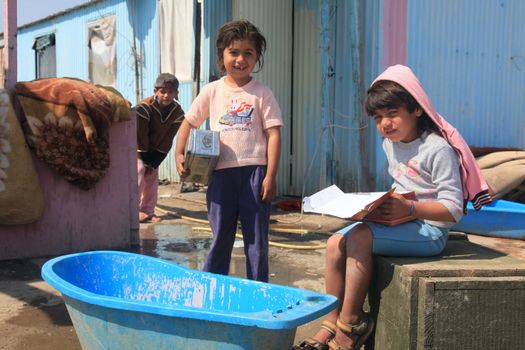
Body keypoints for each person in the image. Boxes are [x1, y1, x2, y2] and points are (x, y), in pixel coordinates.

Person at [293, 64, 491, 350]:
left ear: (417, 109)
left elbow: (454, 209)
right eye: (378, 118)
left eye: (392, 114)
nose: (385, 124)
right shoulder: (390, 143)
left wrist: (410, 210)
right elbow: (402, 185)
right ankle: (330, 322)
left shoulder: (437, 150)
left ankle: (351, 326)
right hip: (401, 223)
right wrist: (376, 206)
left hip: (430, 232)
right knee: (335, 242)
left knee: (360, 236)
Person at [175, 20, 283, 282]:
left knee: (256, 242)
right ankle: (212, 289)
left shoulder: (262, 94)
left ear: (257, 57)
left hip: (255, 174)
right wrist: (179, 154)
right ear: (222, 55)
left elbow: (274, 134)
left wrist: (270, 175)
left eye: (248, 53)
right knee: (221, 237)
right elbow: (189, 122)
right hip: (221, 176)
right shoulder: (212, 91)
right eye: (233, 52)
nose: (240, 59)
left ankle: (258, 291)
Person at [136, 73, 185, 223]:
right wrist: (143, 158)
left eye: (170, 92)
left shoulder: (178, 112)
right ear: (155, 91)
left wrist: (154, 161)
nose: (166, 96)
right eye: (162, 91)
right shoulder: (143, 108)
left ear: (176, 94)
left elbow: (168, 139)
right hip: (136, 147)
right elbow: (140, 135)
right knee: (139, 170)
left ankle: (147, 211)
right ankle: (131, 211)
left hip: (155, 150)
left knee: (152, 176)